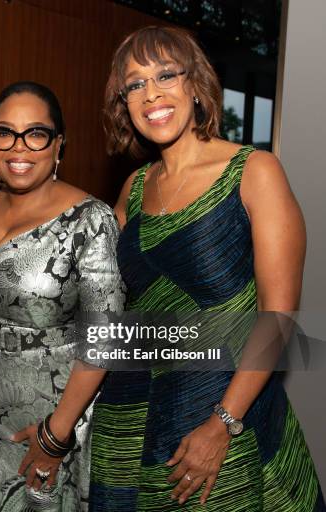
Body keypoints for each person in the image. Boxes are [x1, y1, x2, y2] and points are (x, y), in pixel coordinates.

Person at [89, 26, 325, 511]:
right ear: (124, 104)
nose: (150, 93)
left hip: (219, 412)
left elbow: (277, 317)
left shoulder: (254, 171)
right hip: (130, 413)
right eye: (134, 84)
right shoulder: (133, 188)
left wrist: (222, 423)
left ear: (195, 84)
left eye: (165, 76)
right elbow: (100, 294)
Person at [0, 81, 125, 512]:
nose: (19, 147)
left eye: (36, 133)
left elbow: (104, 340)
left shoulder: (90, 220)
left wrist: (56, 436)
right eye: (5, 133)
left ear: (58, 145)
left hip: (51, 416)